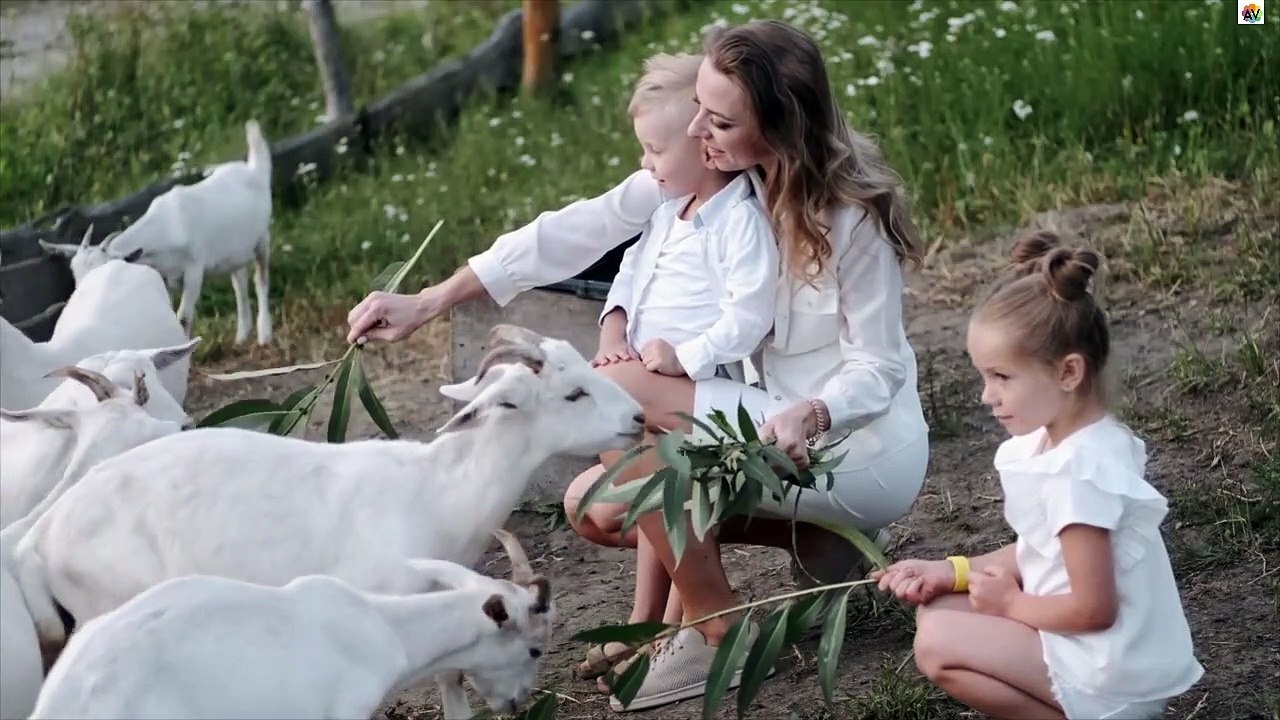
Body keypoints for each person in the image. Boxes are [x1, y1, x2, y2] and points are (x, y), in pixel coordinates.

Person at [347, 19, 931, 712]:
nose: (698, 132)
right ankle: (816, 542)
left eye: (719, 121)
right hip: (767, 424)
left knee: (619, 392)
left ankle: (716, 630)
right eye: (700, 112)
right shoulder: (709, 177)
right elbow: (571, 230)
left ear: (779, 126)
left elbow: (880, 367)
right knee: (594, 506)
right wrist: (430, 299)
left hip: (854, 446)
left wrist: (815, 412)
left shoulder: (850, 219)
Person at [873, 231, 1204, 720]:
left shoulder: (1079, 474)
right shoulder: (1074, 442)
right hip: (1094, 649)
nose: (987, 396)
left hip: (1108, 671)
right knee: (941, 610)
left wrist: (1009, 604)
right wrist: (953, 571)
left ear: (1068, 372)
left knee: (938, 641)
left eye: (1001, 377)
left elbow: (1094, 609)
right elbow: (1045, 552)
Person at [592, 52, 779, 382]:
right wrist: (612, 336)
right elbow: (629, 273)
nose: (645, 163)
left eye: (656, 150)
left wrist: (684, 357)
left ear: (707, 150)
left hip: (700, 378)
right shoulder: (667, 213)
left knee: (601, 388)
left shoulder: (740, 222)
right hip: (641, 364)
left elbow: (750, 317)